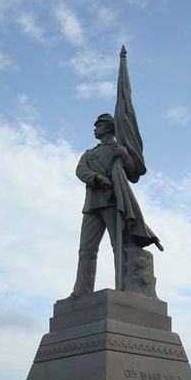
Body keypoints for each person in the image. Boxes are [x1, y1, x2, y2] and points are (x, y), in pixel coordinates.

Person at [70, 113, 143, 298]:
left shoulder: (119, 149)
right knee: (86, 250)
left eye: (99, 125)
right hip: (92, 204)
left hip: (112, 202)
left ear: (109, 127)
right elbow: (80, 171)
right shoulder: (89, 154)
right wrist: (96, 177)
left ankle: (125, 288)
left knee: (118, 246)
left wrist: (125, 156)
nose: (95, 129)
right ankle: (81, 291)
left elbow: (134, 174)